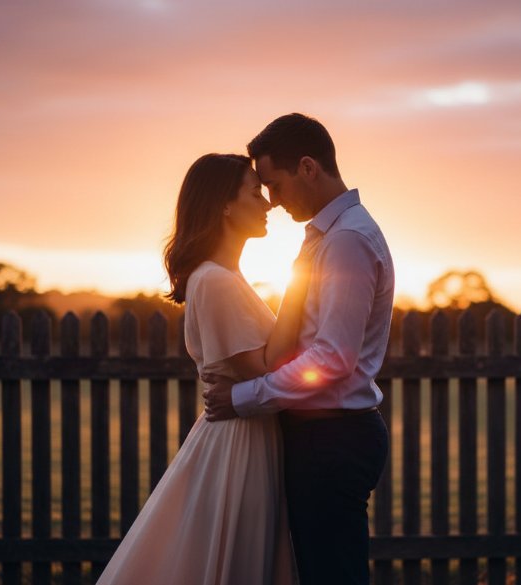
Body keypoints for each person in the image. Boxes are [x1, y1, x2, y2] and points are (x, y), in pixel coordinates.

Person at [96, 153, 306, 585]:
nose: (267, 203)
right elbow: (266, 366)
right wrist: (301, 286)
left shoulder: (227, 277)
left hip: (250, 431)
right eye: (254, 192)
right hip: (239, 442)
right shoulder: (214, 281)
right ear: (224, 205)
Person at [203, 113, 394, 585]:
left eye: (275, 184)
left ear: (308, 167)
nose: (272, 201)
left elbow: (330, 360)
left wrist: (242, 398)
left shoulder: (346, 240)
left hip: (332, 439)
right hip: (325, 436)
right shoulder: (329, 237)